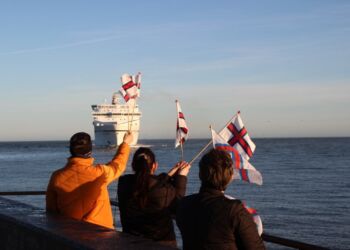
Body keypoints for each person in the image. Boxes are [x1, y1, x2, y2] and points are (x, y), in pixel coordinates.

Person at [176, 149, 265, 250]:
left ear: (200, 174)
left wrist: (180, 177)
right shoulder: (234, 210)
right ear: (230, 177)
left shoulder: (184, 205)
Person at [46, 131, 133, 229]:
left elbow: (51, 210)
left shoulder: (56, 177)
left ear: (71, 150)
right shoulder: (100, 173)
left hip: (69, 233)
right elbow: (118, 165)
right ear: (90, 151)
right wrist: (125, 144)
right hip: (101, 233)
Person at [117, 147, 191, 246]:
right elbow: (177, 205)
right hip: (161, 244)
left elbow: (148, 185)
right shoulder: (163, 189)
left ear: (133, 166)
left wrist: (168, 176)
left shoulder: (123, 183)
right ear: (154, 166)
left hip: (131, 243)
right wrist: (181, 177)